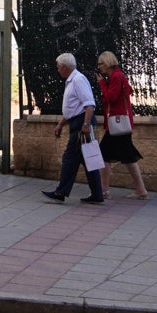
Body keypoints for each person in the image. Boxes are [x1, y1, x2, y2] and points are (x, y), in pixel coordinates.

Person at [42, 52, 104, 204]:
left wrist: (86, 124)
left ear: (64, 66)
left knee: (69, 158)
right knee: (87, 159)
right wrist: (60, 124)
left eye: (58, 67)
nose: (57, 70)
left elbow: (89, 104)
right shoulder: (72, 80)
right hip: (77, 122)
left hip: (81, 124)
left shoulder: (78, 80)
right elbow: (72, 108)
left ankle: (61, 192)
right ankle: (97, 194)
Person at [97, 51, 149, 200]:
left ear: (107, 63)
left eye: (100, 64)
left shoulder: (115, 76)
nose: (99, 67)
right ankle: (139, 189)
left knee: (107, 154)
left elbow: (111, 98)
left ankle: (104, 189)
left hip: (117, 123)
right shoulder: (119, 75)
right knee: (125, 156)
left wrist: (102, 84)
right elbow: (128, 91)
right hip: (121, 123)